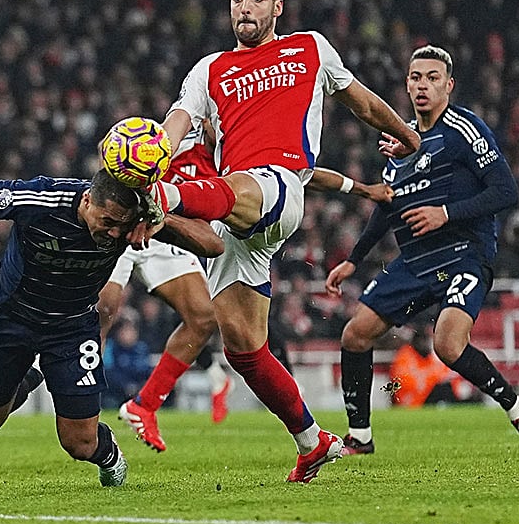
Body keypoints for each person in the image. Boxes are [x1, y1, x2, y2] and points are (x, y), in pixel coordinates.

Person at [141, 0, 419, 482]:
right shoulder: (209, 69)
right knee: (243, 347)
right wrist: (155, 149)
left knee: (225, 190)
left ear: (277, 6)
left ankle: (164, 201)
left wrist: (408, 135)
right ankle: (312, 442)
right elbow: (177, 122)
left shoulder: (310, 47)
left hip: (277, 184)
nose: (243, 6)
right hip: (233, 209)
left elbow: (359, 100)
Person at [0, 169, 222, 487]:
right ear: (87, 200)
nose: (112, 233)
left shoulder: (132, 224)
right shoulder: (42, 199)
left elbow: (213, 246)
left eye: (120, 226)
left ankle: (107, 453)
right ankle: (29, 374)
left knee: (79, 444)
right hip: (10, 316)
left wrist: (163, 220)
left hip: (72, 326)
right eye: (106, 222)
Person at [108, 124, 394, 452]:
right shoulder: (173, 135)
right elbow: (124, 157)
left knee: (204, 321)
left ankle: (143, 406)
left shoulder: (240, 155)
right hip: (133, 220)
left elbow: (304, 174)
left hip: (174, 231)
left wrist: (362, 190)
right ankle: (76, 401)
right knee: (103, 309)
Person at [326, 45, 519, 455]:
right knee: (355, 335)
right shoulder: (400, 141)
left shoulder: (464, 128)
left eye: (432, 78)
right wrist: (352, 260)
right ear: (407, 85)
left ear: (448, 85)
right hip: (415, 262)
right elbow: (387, 204)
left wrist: (446, 213)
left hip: (464, 253)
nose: (422, 85)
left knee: (448, 344)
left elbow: (505, 190)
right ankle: (360, 436)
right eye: (415, 77)